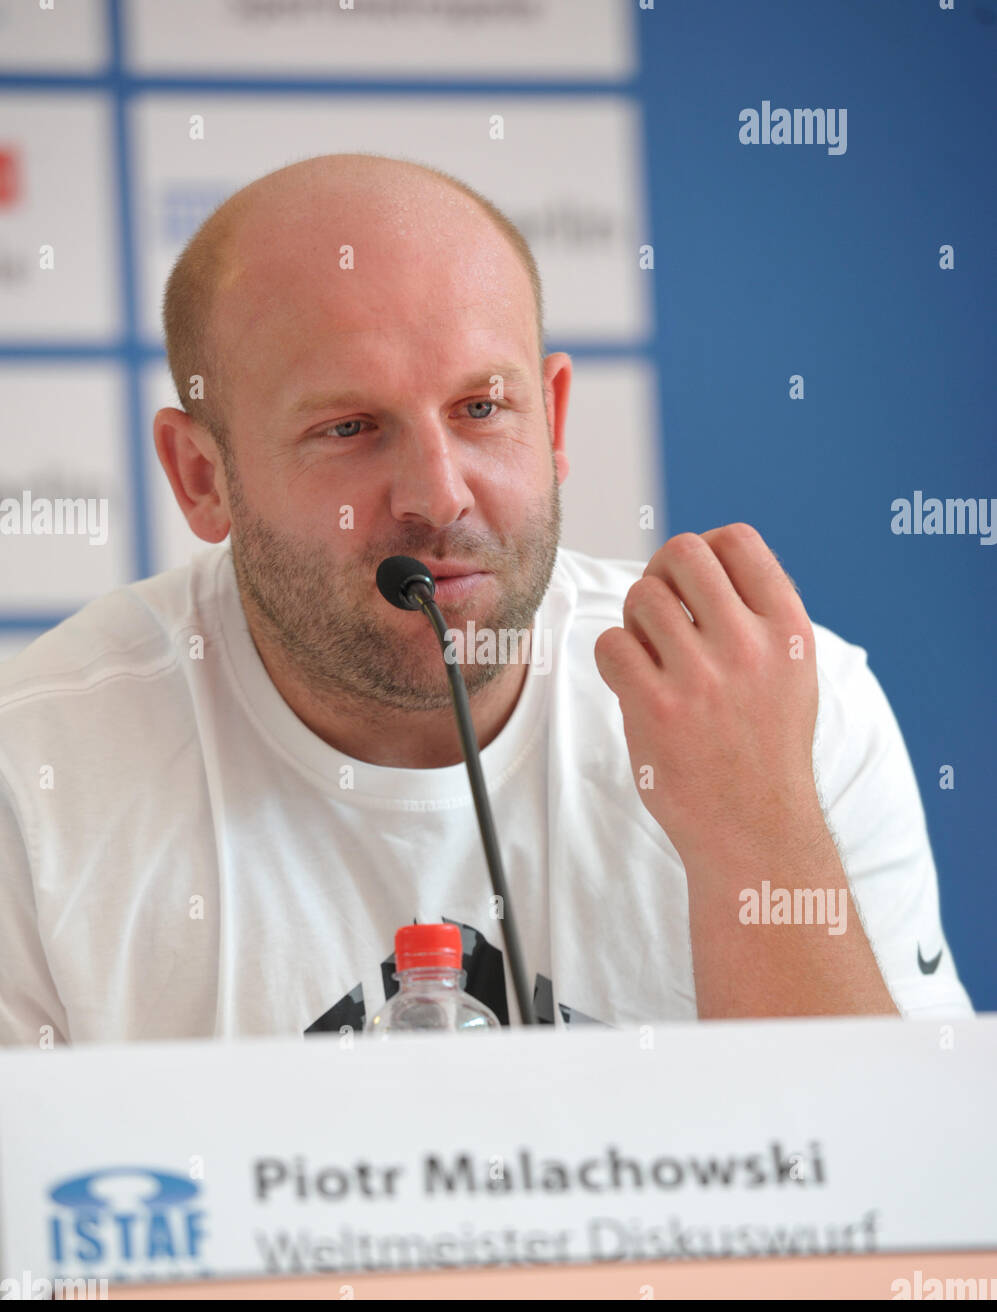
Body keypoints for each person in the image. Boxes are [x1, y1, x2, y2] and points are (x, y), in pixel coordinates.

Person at [0, 154, 973, 1045]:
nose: (437, 495)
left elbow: (898, 1168)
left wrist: (757, 831)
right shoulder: (36, 777)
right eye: (349, 427)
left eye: (480, 409)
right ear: (202, 476)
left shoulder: (790, 711)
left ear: (552, 419)